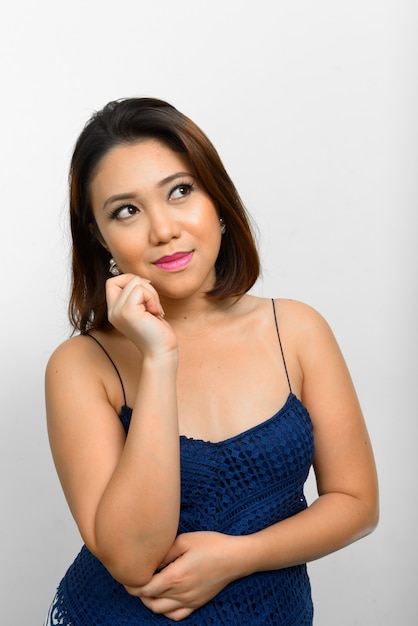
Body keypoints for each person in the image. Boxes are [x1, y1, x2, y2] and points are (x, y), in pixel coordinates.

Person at [44, 97, 378, 625]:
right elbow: (133, 560)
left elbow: (356, 502)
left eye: (180, 191)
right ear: (100, 237)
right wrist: (158, 359)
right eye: (125, 210)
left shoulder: (296, 330)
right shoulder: (82, 365)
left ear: (217, 201)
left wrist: (235, 558)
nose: (163, 229)